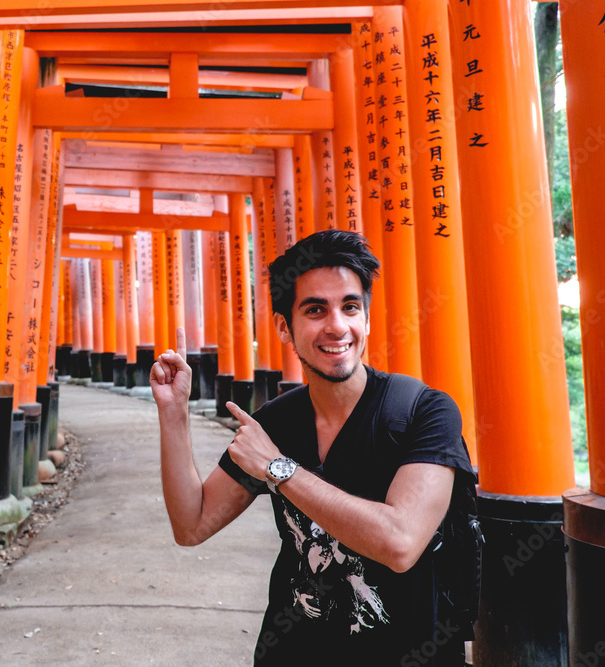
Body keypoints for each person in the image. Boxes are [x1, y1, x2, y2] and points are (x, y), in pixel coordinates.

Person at [151, 230, 475, 665]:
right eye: (316, 310)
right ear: (285, 327)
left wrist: (279, 469)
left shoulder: (425, 413)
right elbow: (191, 526)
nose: (337, 326)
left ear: (367, 320)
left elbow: (400, 543)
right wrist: (174, 415)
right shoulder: (277, 422)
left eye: (350, 307)